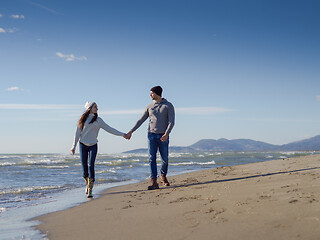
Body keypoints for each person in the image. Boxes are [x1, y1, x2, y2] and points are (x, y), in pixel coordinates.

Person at [71, 101, 127, 198]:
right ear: (89, 108)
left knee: (91, 165)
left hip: (93, 145)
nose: (97, 108)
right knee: (84, 169)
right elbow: (77, 133)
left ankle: (90, 189)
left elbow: (110, 129)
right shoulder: (82, 120)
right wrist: (73, 146)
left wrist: (123, 134)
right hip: (82, 145)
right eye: (95, 107)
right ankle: (88, 184)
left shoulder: (98, 120)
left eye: (97, 107)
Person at [125, 86, 175, 190]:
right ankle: (153, 181)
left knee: (164, 159)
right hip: (151, 135)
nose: (150, 95)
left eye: (151, 93)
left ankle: (163, 176)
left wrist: (166, 134)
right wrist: (131, 131)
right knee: (151, 158)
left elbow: (171, 121)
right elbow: (140, 120)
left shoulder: (168, 105)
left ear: (157, 93)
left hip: (163, 136)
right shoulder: (149, 106)